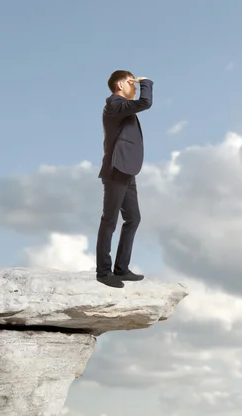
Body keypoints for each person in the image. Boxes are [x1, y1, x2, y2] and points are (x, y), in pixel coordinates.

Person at [95, 70, 153, 288]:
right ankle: (103, 272)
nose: (135, 87)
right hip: (116, 170)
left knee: (133, 219)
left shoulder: (122, 108)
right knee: (109, 221)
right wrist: (146, 81)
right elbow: (145, 102)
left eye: (137, 83)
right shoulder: (115, 104)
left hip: (127, 171)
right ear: (120, 85)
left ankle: (121, 269)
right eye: (131, 83)